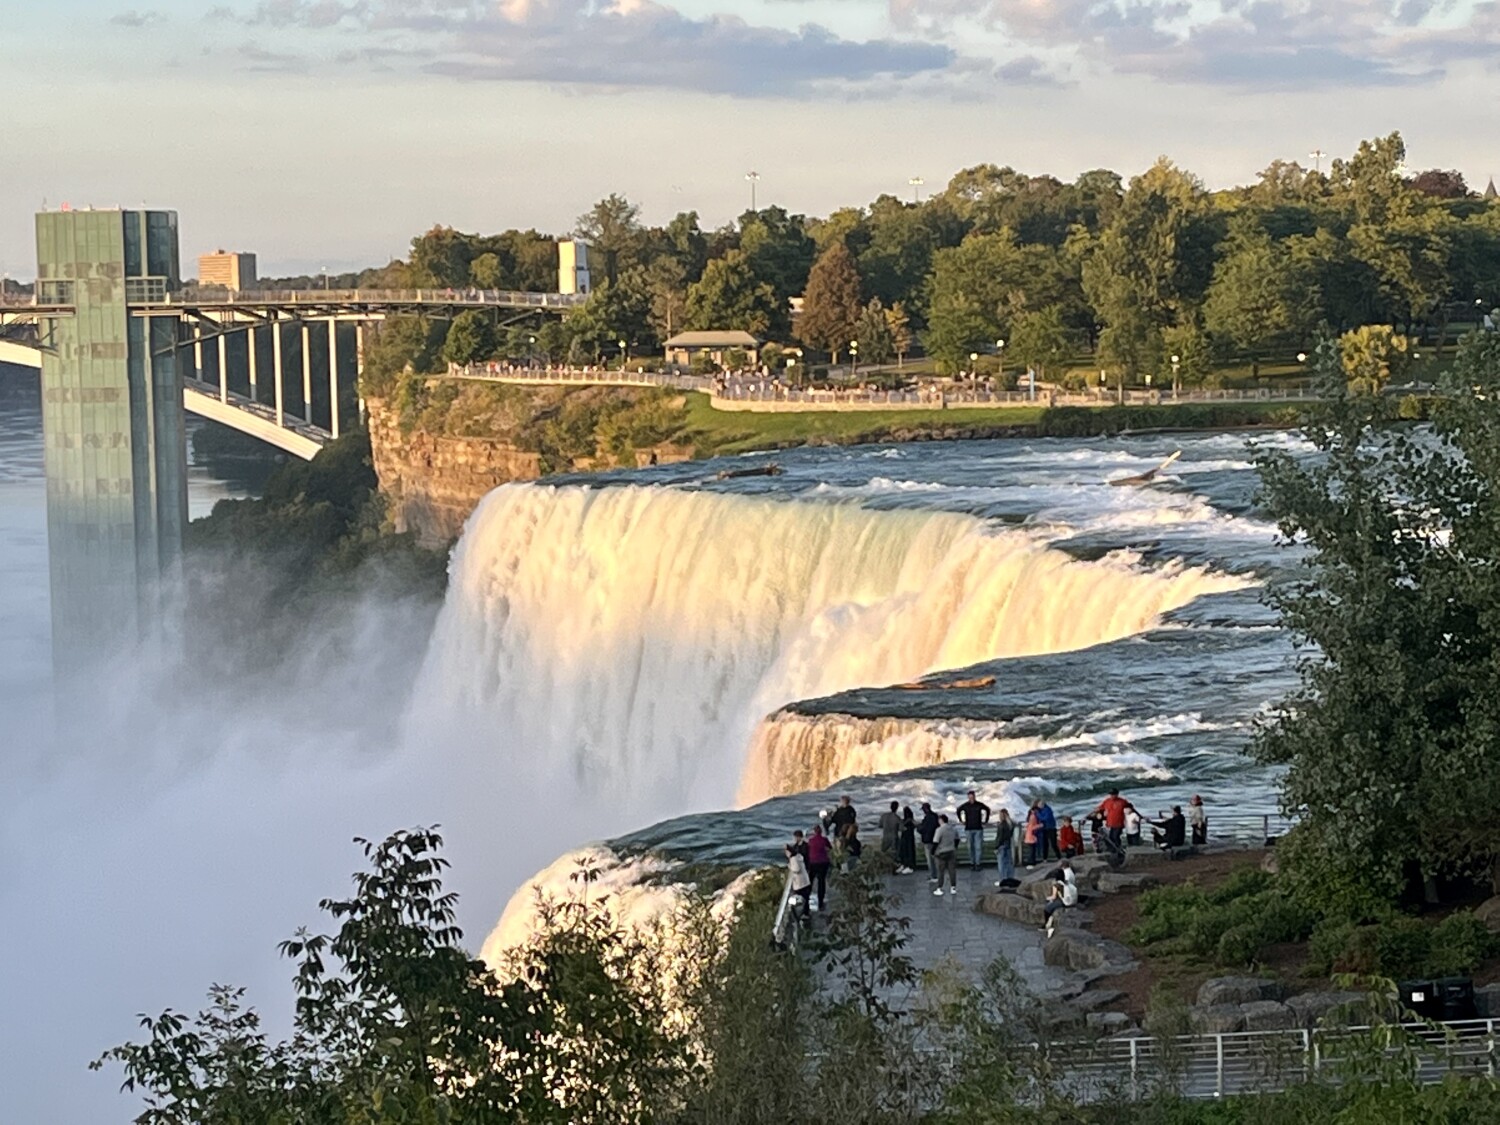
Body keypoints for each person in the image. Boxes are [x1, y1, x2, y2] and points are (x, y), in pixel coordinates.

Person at [1090, 788, 1139, 857]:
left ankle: (1118, 852)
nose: (1112, 796)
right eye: (1111, 794)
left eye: (1113, 794)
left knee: (1115, 837)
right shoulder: (1107, 801)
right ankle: (1115, 851)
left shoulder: (1122, 801)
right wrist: (1087, 816)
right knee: (1110, 838)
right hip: (1109, 824)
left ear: (1117, 794)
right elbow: (1099, 808)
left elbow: (1131, 808)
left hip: (1119, 823)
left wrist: (1139, 816)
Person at [957, 789, 992, 870]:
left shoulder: (979, 805)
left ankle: (978, 863)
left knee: (978, 847)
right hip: (968, 828)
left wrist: (986, 820)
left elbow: (987, 809)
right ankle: (972, 863)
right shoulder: (965, 805)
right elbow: (958, 810)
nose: (971, 799)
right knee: (970, 847)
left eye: (972, 797)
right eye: (970, 797)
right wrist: (961, 820)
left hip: (978, 828)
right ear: (968, 797)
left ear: (974, 797)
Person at [1043, 861, 1079, 934]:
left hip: (1066, 902)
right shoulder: (1067, 882)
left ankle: (1046, 924)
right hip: (1073, 900)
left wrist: (1047, 898)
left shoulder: (1057, 885)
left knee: (1047, 908)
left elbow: (1053, 897)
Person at [805, 824, 832, 911]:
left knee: (810, 882)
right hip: (823, 862)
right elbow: (830, 848)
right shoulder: (824, 840)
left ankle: (806, 900)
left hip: (813, 863)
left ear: (814, 832)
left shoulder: (811, 841)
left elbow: (808, 850)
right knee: (821, 882)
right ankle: (820, 902)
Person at [785, 840, 812, 922]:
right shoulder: (799, 856)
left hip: (799, 884)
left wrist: (790, 867)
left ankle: (796, 915)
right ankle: (805, 913)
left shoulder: (793, 859)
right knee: (806, 899)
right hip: (805, 881)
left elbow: (796, 869)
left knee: (795, 899)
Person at [933, 814, 959, 895]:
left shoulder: (939, 830)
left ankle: (940, 888)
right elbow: (957, 839)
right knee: (952, 870)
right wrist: (954, 847)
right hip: (951, 851)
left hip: (942, 852)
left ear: (941, 820)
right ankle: (953, 887)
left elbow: (936, 842)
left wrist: (933, 852)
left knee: (941, 871)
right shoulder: (953, 829)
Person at [919, 801, 940, 882]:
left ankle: (933, 876)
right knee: (935, 858)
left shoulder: (927, 818)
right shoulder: (935, 816)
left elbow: (924, 828)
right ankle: (936, 875)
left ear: (925, 809)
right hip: (935, 839)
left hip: (928, 840)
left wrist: (918, 828)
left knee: (930, 860)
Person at [993, 808, 1016, 886]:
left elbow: (999, 837)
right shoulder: (1011, 824)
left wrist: (996, 847)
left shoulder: (1001, 825)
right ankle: (1010, 878)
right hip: (1008, 844)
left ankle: (1002, 879)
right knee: (1009, 863)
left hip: (1001, 845)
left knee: (1001, 864)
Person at [1037, 798, 1058, 862]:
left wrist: (1038, 814)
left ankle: (1059, 856)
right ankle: (1044, 858)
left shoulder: (1048, 810)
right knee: (1045, 844)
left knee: (1053, 844)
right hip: (1045, 829)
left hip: (1051, 828)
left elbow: (1045, 818)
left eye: (1039, 805)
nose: (1038, 807)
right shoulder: (1041, 810)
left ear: (1042, 805)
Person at [897, 806, 917, 874]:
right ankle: (906, 865)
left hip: (906, 838)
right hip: (908, 838)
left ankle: (909, 866)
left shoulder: (906, 821)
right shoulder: (911, 821)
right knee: (907, 851)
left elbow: (901, 828)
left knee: (907, 852)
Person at [1023, 802, 1043, 868]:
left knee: (1032, 850)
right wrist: (1040, 825)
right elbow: (1032, 827)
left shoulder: (1030, 816)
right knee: (1032, 851)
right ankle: (1030, 863)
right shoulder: (1033, 817)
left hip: (1029, 836)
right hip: (1031, 836)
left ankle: (1031, 862)